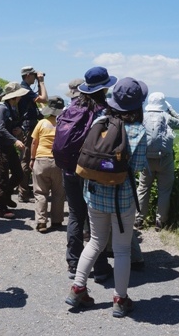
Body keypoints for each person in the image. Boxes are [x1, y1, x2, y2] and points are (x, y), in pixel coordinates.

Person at [65, 77, 148, 319]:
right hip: (122, 199)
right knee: (122, 249)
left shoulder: (100, 121)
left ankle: (78, 288)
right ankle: (120, 299)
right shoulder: (139, 132)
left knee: (95, 242)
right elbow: (140, 166)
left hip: (94, 193)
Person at [61, 69, 116, 282]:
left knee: (75, 214)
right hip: (92, 170)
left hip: (68, 169)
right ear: (104, 87)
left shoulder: (71, 107)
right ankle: (101, 267)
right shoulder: (105, 110)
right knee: (96, 218)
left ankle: (74, 263)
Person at [135, 92, 179, 231]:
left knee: (143, 188)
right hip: (165, 159)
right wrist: (170, 109)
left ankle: (139, 219)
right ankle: (160, 221)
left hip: (146, 159)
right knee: (164, 190)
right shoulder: (166, 116)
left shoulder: (143, 117)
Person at [0, 82, 28, 219]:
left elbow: (13, 125)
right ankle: (2, 208)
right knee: (2, 178)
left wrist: (20, 129)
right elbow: (0, 129)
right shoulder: (3, 109)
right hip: (0, 146)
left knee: (18, 174)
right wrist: (15, 140)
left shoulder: (12, 108)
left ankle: (5, 197)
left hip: (7, 146)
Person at [29, 95, 66, 233]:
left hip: (41, 159)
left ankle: (41, 222)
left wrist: (32, 159)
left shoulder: (41, 123)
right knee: (58, 193)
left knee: (40, 192)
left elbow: (34, 142)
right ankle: (56, 221)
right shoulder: (63, 124)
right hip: (58, 162)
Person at [17, 66, 48, 203]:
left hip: (27, 126)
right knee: (27, 157)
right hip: (28, 127)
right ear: (28, 75)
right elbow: (44, 99)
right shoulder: (25, 89)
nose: (35, 77)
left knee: (27, 156)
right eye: (34, 75)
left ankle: (23, 189)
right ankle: (23, 192)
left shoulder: (24, 88)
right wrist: (41, 81)